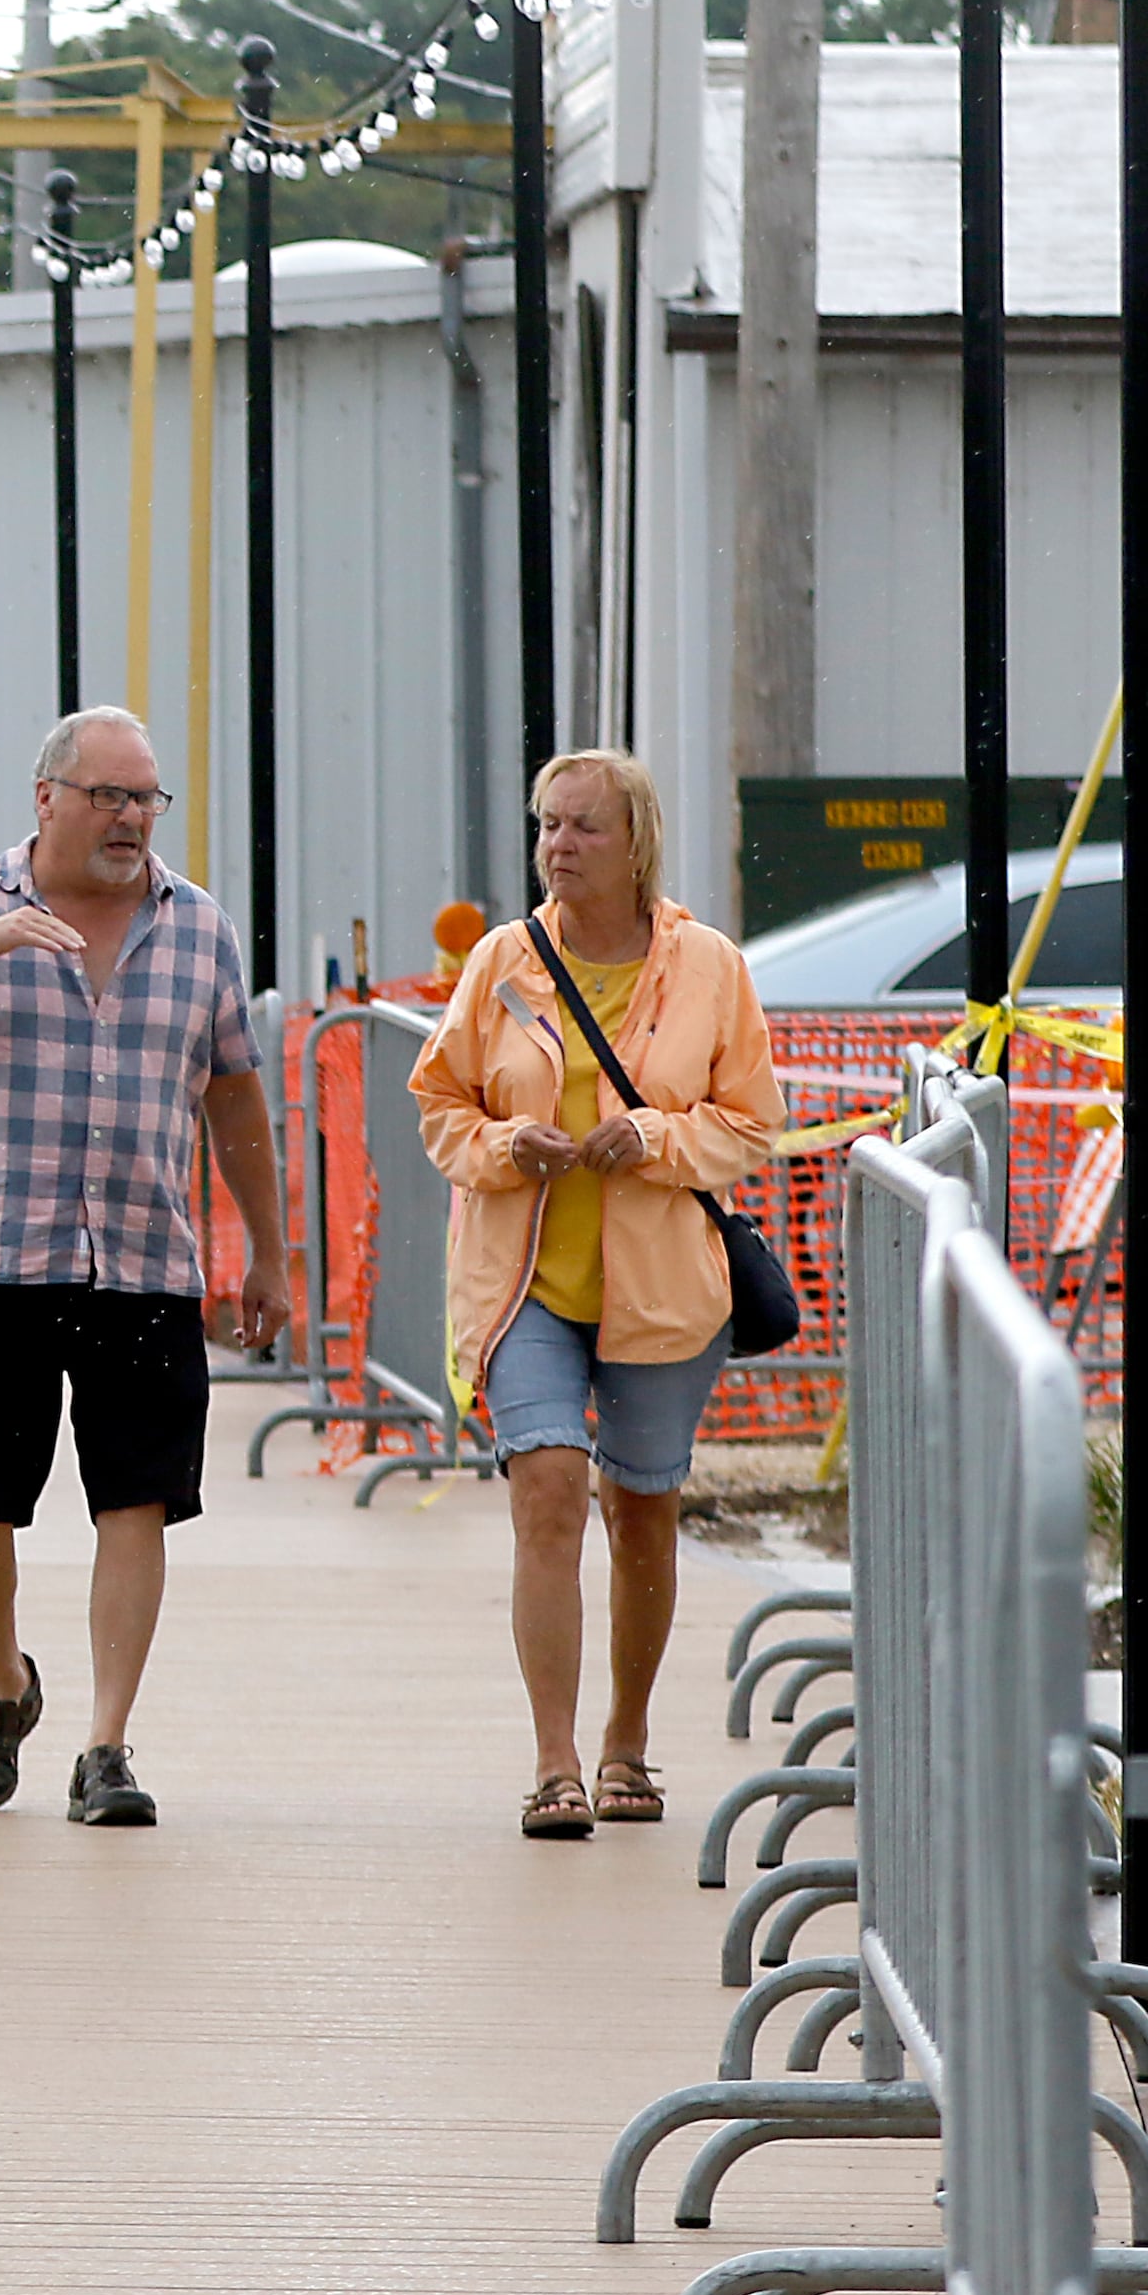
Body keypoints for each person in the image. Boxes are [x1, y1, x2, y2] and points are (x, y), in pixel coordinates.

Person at [0, 708, 286, 1828]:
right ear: (46, 798)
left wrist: (267, 1251)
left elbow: (231, 1094)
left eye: (143, 799)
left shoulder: (197, 927)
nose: (127, 820)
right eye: (105, 797)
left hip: (141, 1265)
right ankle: (3, 1684)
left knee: (136, 1503)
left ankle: (106, 1745)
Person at [406, 748, 780, 1840]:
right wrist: (497, 1141)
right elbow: (437, 1100)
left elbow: (752, 1122)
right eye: (545, 826)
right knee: (549, 1490)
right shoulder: (501, 963)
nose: (556, 848)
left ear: (635, 846)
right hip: (522, 1283)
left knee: (643, 1513)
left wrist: (654, 1135)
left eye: (581, 829)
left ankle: (626, 1741)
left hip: (660, 1292)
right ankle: (552, 1762)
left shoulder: (707, 967)